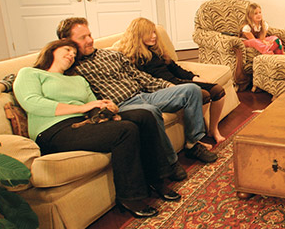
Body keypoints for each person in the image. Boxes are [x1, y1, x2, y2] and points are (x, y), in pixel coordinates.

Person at [0, 17, 218, 181]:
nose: (90, 40)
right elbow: (34, 70)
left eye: (90, 35)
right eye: (82, 38)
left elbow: (140, 76)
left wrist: (171, 87)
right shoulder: (70, 64)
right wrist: (1, 83)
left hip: (144, 94)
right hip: (124, 105)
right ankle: (169, 162)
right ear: (68, 42)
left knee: (191, 91)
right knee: (148, 111)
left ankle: (192, 144)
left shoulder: (111, 54)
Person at [13, 39, 181, 218]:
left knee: (144, 116)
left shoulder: (77, 79)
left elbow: (92, 104)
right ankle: (129, 197)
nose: (71, 55)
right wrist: (80, 108)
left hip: (85, 123)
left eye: (74, 54)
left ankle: (157, 179)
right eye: (67, 50)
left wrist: (107, 110)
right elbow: (33, 103)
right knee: (125, 130)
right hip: (53, 130)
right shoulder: (30, 73)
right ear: (51, 50)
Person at [116, 17, 226, 143]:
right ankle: (196, 139)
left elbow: (175, 68)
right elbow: (145, 82)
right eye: (149, 33)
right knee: (203, 95)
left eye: (154, 32)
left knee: (218, 90)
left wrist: (193, 77)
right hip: (163, 89)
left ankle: (213, 129)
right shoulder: (134, 58)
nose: (154, 36)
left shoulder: (157, 50)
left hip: (177, 82)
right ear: (139, 35)